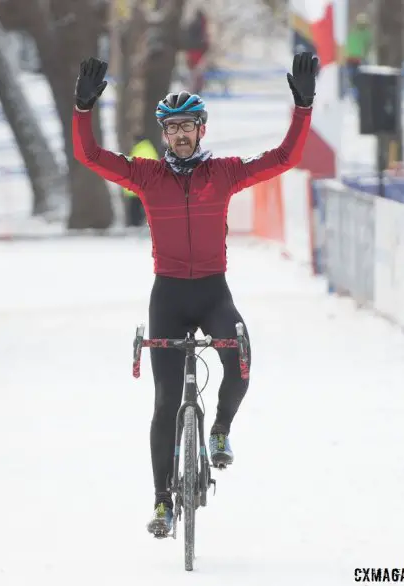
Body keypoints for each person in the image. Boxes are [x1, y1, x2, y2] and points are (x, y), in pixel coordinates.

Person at [72, 53, 317, 537]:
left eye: (189, 127)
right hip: (167, 297)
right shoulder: (147, 177)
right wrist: (82, 112)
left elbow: (285, 159)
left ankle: (220, 428)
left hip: (211, 293)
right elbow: (89, 157)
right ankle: (162, 501)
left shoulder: (222, 173)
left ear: (201, 130)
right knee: (165, 402)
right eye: (172, 128)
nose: (180, 135)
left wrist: (303, 108)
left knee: (240, 357)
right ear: (164, 135)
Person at [123, 135, 158, 228]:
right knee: (144, 209)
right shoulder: (148, 149)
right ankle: (144, 226)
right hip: (144, 186)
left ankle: (136, 227)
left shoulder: (140, 150)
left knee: (135, 210)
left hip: (137, 186)